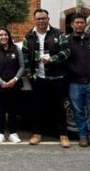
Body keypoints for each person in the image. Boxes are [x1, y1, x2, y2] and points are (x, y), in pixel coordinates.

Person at [21, 8, 70, 147]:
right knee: (37, 107)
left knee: (59, 107)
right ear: (34, 20)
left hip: (56, 77)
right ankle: (37, 134)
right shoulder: (29, 36)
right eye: (38, 19)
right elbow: (24, 55)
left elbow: (66, 51)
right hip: (38, 78)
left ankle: (63, 135)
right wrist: (29, 73)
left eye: (43, 18)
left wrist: (52, 59)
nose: (41, 21)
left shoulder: (58, 34)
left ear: (48, 19)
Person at [62, 13, 90, 149]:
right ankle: (83, 136)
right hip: (75, 82)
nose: (79, 25)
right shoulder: (66, 41)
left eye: (82, 22)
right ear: (72, 25)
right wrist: (74, 71)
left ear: (86, 24)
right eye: (77, 23)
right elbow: (64, 61)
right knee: (78, 111)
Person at [0, 27, 24, 143]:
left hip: (14, 85)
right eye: (1, 35)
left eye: (5, 34)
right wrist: (1, 82)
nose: (3, 37)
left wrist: (15, 79)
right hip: (0, 86)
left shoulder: (16, 49)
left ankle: (13, 133)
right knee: (1, 110)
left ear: (9, 36)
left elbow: (22, 66)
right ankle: (0, 133)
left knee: (13, 109)